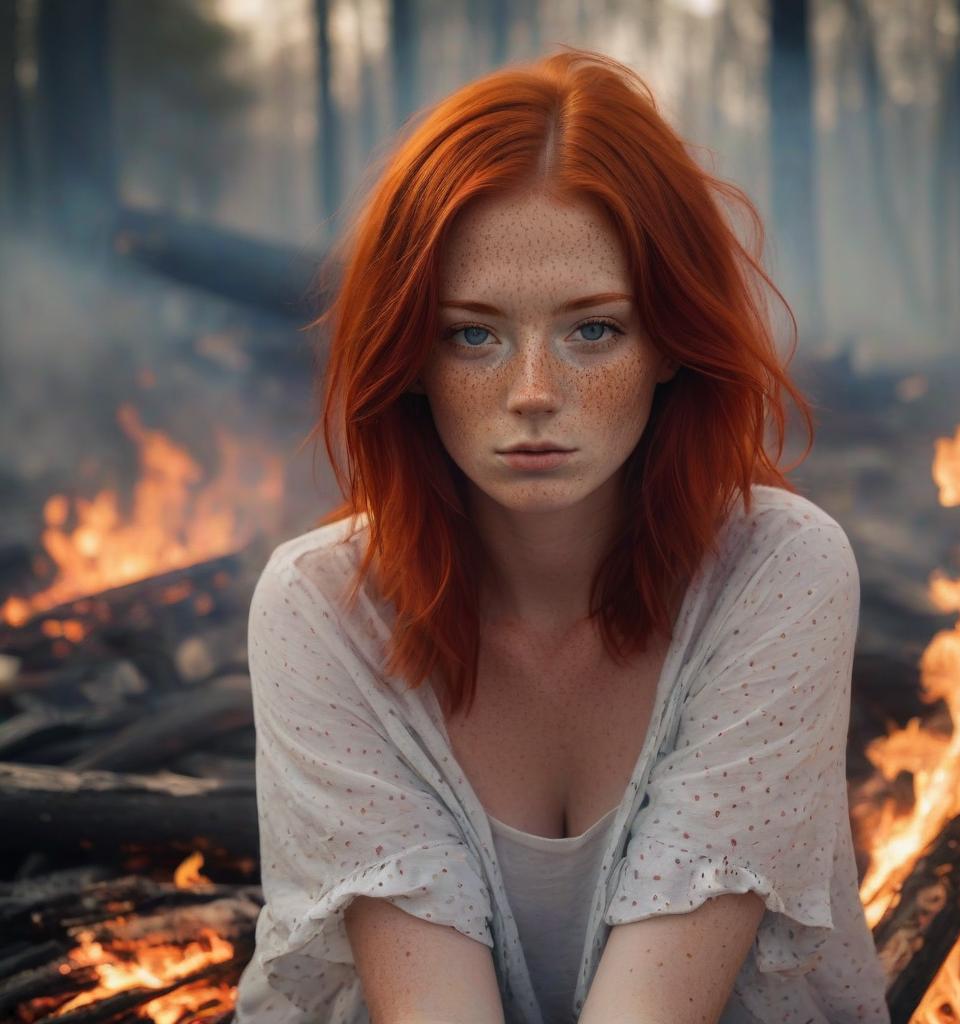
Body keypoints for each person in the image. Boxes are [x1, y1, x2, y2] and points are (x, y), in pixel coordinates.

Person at [232, 45, 891, 1024]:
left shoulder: (778, 570)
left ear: (670, 339)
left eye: (593, 331)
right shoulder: (319, 610)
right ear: (408, 356)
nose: (533, 393)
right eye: (473, 334)